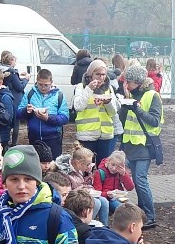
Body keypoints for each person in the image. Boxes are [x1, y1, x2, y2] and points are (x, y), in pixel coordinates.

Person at [119, 64, 162, 228]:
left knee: (140, 180)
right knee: (137, 182)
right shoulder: (131, 95)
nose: (126, 84)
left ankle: (150, 216)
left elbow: (154, 121)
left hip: (144, 145)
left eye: (127, 81)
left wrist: (137, 109)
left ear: (136, 81)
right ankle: (143, 214)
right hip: (130, 145)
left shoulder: (152, 96)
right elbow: (123, 120)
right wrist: (125, 102)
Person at [16, 68, 70, 159]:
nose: (43, 87)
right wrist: (26, 110)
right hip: (34, 137)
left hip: (53, 137)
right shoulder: (30, 93)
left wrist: (48, 118)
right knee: (37, 166)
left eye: (46, 85)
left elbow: (65, 117)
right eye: (40, 84)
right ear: (36, 82)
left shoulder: (59, 95)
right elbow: (18, 113)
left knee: (52, 167)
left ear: (51, 82)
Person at [73, 59, 119, 162]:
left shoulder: (109, 88)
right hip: (87, 134)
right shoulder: (82, 87)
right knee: (86, 166)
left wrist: (107, 102)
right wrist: (89, 89)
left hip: (105, 134)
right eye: (98, 74)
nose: (101, 77)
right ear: (90, 75)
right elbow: (78, 106)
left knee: (103, 167)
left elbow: (113, 112)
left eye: (103, 74)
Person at [61, 147, 109, 225]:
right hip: (72, 199)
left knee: (104, 201)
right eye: (88, 164)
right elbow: (66, 192)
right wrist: (80, 190)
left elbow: (84, 184)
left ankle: (104, 225)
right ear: (78, 163)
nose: (89, 166)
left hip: (81, 195)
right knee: (96, 203)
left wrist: (89, 175)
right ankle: (84, 225)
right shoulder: (65, 173)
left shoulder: (80, 169)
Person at [0, 51, 29, 147]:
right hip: (15, 99)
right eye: (14, 61)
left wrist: (20, 76)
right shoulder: (12, 73)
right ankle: (14, 143)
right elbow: (19, 87)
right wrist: (26, 79)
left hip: (3, 97)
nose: (15, 63)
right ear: (11, 62)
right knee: (16, 122)